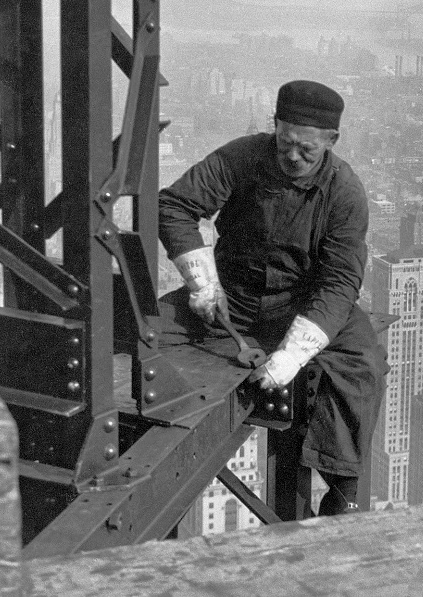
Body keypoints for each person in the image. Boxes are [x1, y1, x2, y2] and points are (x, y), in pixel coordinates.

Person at [158, 80, 388, 516]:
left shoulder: (344, 192)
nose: (293, 157)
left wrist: (292, 355)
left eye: (307, 149)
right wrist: (202, 282)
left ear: (331, 142)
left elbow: (340, 282)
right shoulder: (240, 157)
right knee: (144, 328)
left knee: (362, 363)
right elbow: (175, 206)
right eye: (285, 143)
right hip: (232, 297)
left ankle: (342, 489)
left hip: (303, 305)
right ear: (274, 127)